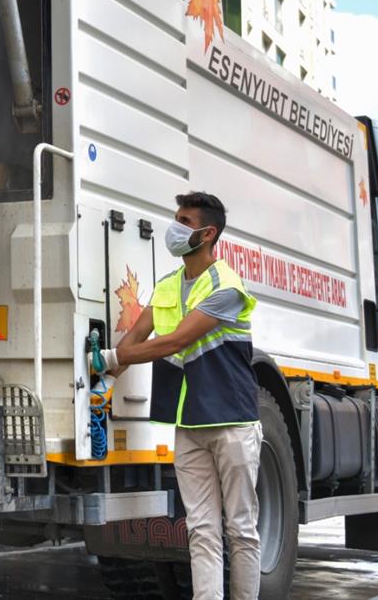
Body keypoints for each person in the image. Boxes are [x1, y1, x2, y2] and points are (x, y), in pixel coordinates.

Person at [97, 191, 261, 600]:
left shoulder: (226, 286)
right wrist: (102, 377)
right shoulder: (168, 286)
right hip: (189, 423)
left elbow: (173, 342)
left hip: (232, 423)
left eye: (184, 222)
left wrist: (109, 358)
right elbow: (135, 338)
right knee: (201, 530)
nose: (174, 228)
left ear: (208, 234)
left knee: (240, 528)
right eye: (176, 218)